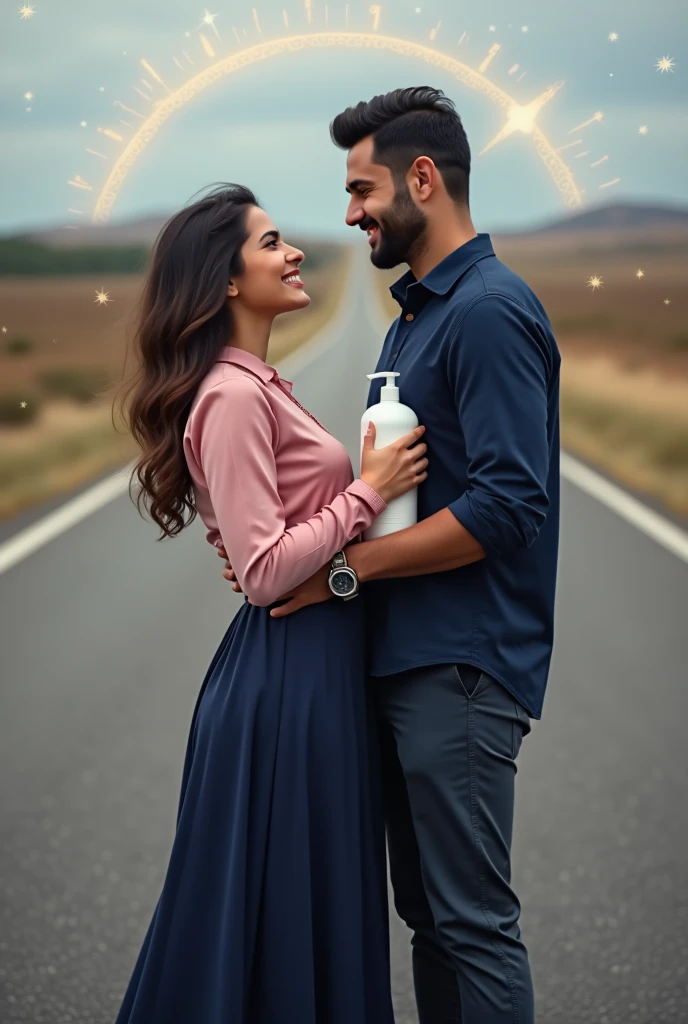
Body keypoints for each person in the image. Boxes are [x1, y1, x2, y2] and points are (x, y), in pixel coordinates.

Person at [219, 87, 561, 1024]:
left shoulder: (488, 311)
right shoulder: (415, 318)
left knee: (472, 922)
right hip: (408, 662)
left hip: (460, 665)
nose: (349, 213)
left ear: (422, 178)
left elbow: (508, 503)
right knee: (432, 920)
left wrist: (346, 570)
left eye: (362, 188)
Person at [113, 182, 429, 1023]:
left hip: (315, 665)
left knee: (311, 905)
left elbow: (284, 544)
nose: (294, 254)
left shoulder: (258, 385)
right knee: (284, 912)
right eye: (273, 242)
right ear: (223, 278)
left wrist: (340, 521)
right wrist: (366, 493)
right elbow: (262, 570)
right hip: (288, 680)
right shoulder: (229, 396)